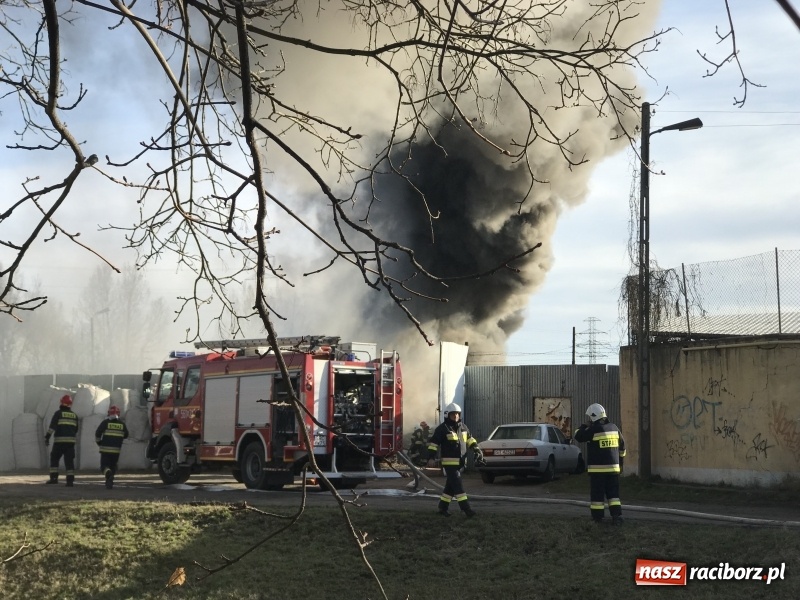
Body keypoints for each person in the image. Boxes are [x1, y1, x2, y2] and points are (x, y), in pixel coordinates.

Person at [426, 403, 483, 518]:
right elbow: (433, 444)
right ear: (448, 415)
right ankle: (466, 509)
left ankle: (442, 508)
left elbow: (470, 440)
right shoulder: (442, 429)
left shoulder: (463, 427)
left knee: (450, 487)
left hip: (461, 462)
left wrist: (477, 450)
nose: (456, 416)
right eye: (453, 414)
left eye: (457, 414)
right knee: (458, 486)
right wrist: (430, 457)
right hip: (449, 463)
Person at [574, 403, 626, 525]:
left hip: (598, 471)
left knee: (597, 496)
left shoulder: (594, 430)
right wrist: (621, 463)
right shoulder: (614, 428)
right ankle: (616, 517)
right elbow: (622, 447)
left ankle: (597, 519)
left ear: (593, 417)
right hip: (613, 470)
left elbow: (578, 436)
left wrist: (583, 426)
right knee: (613, 496)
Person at [45, 394, 79, 487]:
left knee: (54, 458)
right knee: (69, 461)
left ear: (61, 403)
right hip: (70, 443)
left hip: (59, 442)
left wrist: (47, 437)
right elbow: (76, 429)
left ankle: (54, 478)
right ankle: (70, 481)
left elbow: (52, 427)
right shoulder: (74, 415)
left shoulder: (58, 413)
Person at [95, 405, 130, 489]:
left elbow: (98, 434)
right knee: (113, 466)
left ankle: (108, 474)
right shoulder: (122, 424)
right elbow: (126, 435)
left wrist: (99, 442)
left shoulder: (105, 423)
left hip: (105, 450)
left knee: (104, 466)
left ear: (109, 413)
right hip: (116, 451)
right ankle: (109, 481)